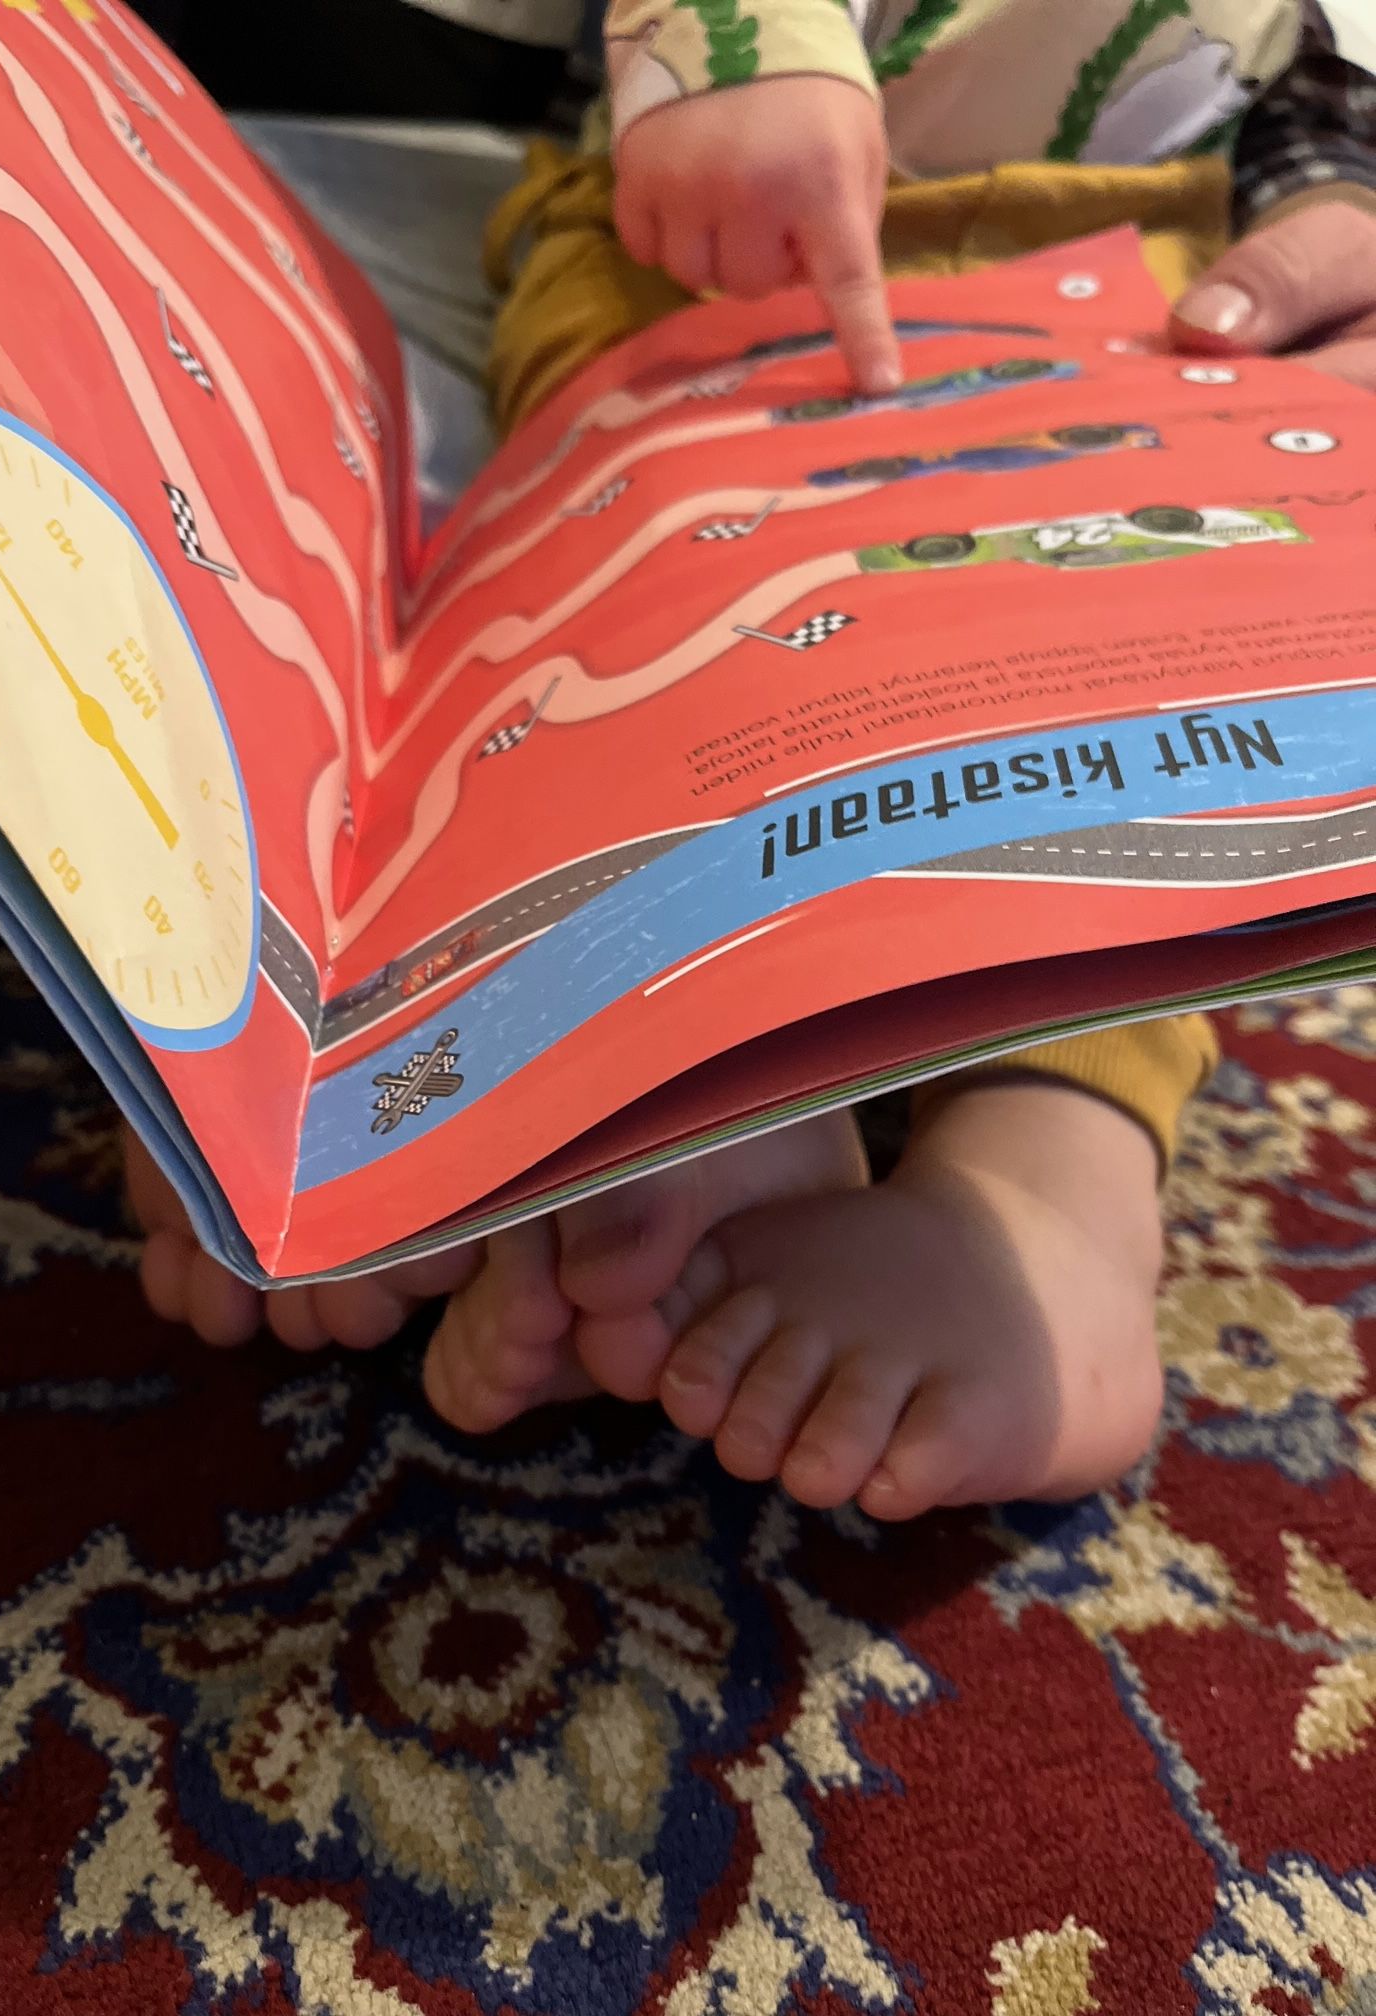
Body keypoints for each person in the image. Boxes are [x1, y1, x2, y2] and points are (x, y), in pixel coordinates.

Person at [132, 0, 1376, 1520]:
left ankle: (1054, 1170)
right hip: (689, 260)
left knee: (1141, 687)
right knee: (653, 619)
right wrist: (724, 37)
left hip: (1144, 273)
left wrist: (1341, 191)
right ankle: (630, 1080)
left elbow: (1306, 67)